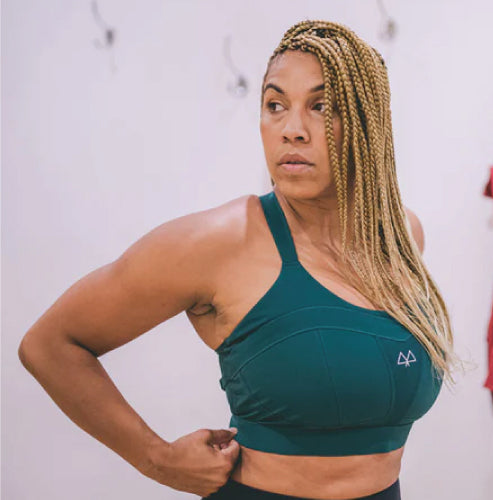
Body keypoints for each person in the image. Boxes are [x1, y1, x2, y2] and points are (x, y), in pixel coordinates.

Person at [18, 19, 462, 500]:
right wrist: (157, 459)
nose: (292, 130)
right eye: (275, 106)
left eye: (321, 106)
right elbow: (50, 344)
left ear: (366, 123)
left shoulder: (400, 237)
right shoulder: (218, 243)